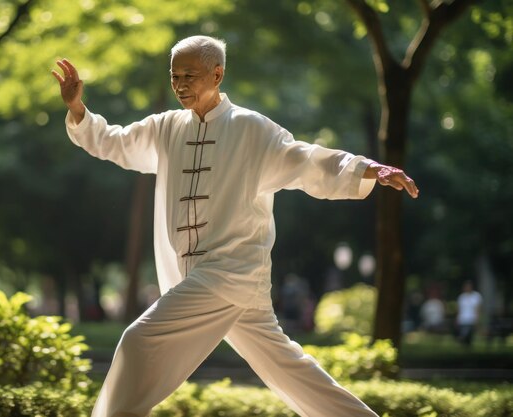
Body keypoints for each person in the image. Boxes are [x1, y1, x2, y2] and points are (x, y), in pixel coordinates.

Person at [53, 35, 419, 417]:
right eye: (174, 75)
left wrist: (368, 168)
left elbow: (307, 160)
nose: (179, 85)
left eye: (189, 75)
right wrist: (78, 107)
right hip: (201, 277)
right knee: (289, 370)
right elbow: (114, 141)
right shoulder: (165, 128)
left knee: (138, 341)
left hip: (230, 272)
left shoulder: (251, 129)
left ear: (217, 74)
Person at [456, 280, 482, 347]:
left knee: (469, 333)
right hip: (463, 318)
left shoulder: (476, 296)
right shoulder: (461, 297)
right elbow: (459, 309)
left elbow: (477, 308)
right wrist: (457, 318)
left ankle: (467, 344)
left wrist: (477, 318)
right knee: (464, 332)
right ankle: (464, 343)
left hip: (471, 318)